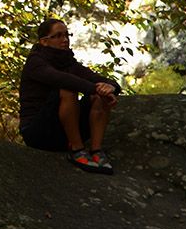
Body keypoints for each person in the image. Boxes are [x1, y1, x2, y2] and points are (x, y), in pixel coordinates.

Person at [19, 18, 120, 174]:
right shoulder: (36, 62)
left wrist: (110, 87)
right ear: (44, 42)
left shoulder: (68, 62)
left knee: (100, 95)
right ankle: (77, 149)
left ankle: (96, 151)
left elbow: (96, 78)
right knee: (67, 89)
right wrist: (95, 88)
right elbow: (60, 79)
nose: (65, 40)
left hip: (62, 132)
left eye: (67, 35)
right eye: (58, 36)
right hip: (38, 132)